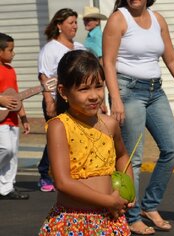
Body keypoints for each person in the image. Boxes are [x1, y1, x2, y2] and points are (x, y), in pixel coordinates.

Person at [103, 0, 174, 234]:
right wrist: (115, 98)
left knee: (173, 147)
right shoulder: (119, 19)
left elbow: (171, 59)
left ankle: (150, 205)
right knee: (133, 158)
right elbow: (108, 61)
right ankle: (132, 215)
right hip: (128, 91)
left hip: (155, 90)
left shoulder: (158, 19)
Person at [38, 50, 133, 235]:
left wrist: (126, 192)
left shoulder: (110, 124)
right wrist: (108, 201)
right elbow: (63, 182)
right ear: (63, 92)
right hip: (73, 220)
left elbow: (122, 157)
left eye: (98, 86)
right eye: (83, 89)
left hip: (110, 219)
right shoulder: (59, 127)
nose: (94, 95)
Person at [37, 8, 85, 192]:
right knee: (56, 138)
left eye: (75, 22)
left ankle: (72, 174)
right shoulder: (50, 49)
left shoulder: (80, 48)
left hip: (76, 101)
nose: (75, 26)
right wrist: (49, 101)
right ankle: (45, 174)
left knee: (75, 137)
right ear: (59, 25)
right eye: (70, 22)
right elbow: (44, 77)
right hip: (57, 100)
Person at [0, 32, 30, 200]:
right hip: (1, 121)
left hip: (12, 119)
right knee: (6, 149)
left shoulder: (11, 71)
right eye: (10, 50)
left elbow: (17, 96)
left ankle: (7, 187)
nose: (13, 53)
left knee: (13, 155)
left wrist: (24, 118)